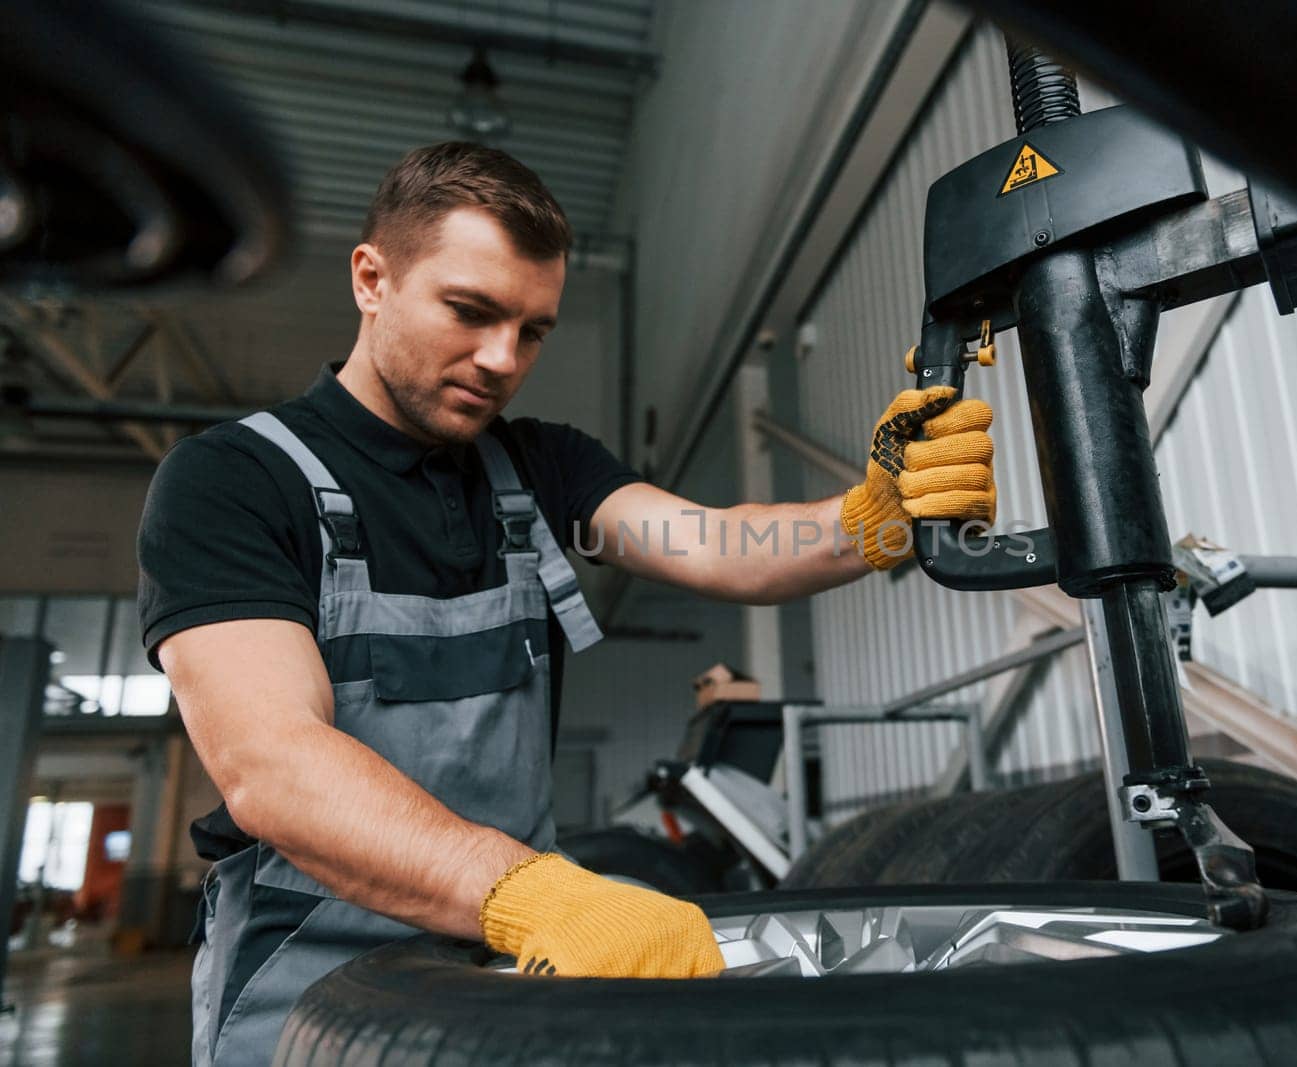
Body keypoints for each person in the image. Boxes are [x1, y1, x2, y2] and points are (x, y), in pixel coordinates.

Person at [137, 141, 998, 1066]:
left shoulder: (538, 471)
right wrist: (534, 892)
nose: (501, 359)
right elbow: (272, 763)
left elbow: (719, 544)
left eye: (533, 329)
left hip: (514, 973)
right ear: (371, 278)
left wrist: (870, 518)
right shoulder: (237, 480)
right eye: (469, 312)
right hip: (306, 999)